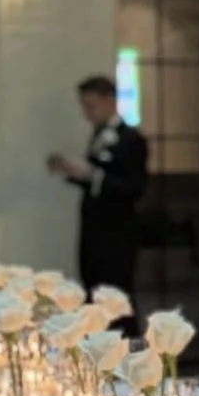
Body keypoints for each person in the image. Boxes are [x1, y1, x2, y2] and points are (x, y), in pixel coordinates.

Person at [46, 75, 147, 326]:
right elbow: (97, 179)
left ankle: (128, 354)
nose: (86, 113)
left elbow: (134, 187)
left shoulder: (131, 140)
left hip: (117, 234)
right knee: (93, 294)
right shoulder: (99, 135)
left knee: (117, 297)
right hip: (94, 230)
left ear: (110, 101)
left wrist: (93, 175)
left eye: (90, 106)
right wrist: (72, 172)